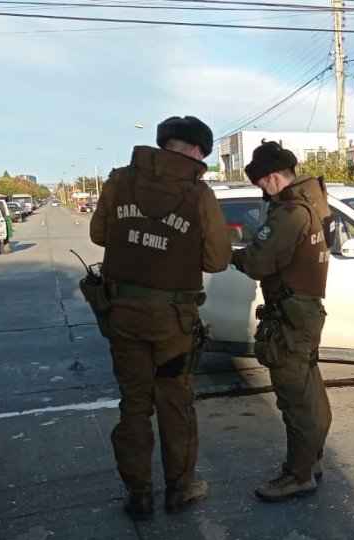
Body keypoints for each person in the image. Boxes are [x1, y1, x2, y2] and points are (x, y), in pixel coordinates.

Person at [90, 115, 232, 519]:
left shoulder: (118, 180)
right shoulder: (199, 195)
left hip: (123, 315)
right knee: (175, 402)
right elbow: (217, 260)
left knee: (133, 404)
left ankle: (139, 493)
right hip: (173, 322)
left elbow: (99, 235)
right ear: (195, 151)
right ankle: (180, 487)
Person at [234, 140, 336, 502]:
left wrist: (236, 257)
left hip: (290, 314)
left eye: (262, 183)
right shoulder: (314, 203)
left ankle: (298, 474)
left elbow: (260, 261)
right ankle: (313, 460)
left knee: (294, 396)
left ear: (274, 177)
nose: (262, 190)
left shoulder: (289, 212)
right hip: (306, 309)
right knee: (310, 388)